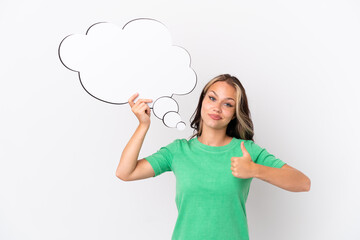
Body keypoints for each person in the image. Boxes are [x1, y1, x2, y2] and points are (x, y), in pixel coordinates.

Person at [115, 74, 311, 240]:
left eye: (227, 104)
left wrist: (255, 170)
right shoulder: (178, 151)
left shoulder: (246, 151)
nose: (217, 108)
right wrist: (143, 125)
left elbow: (303, 183)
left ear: (235, 113)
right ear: (202, 101)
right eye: (212, 98)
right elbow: (125, 172)